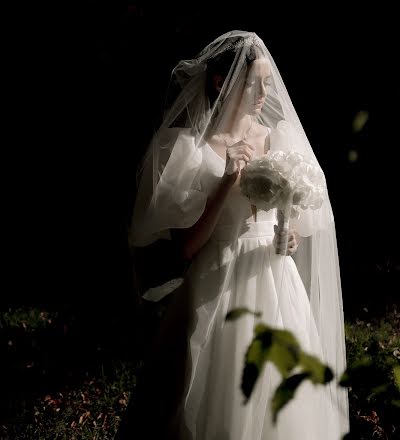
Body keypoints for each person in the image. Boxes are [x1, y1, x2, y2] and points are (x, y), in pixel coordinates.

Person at [127, 30, 349, 439]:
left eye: (268, 82)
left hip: (276, 282)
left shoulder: (277, 141)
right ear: (220, 82)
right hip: (217, 282)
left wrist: (290, 237)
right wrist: (225, 184)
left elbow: (294, 221)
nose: (265, 92)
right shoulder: (192, 149)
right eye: (255, 83)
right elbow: (187, 249)